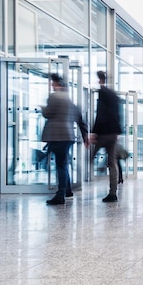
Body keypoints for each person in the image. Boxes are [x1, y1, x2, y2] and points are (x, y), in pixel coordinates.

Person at [43, 74, 88, 205]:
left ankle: (60, 194)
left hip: (57, 137)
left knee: (61, 165)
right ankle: (67, 190)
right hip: (68, 137)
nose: (52, 85)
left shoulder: (54, 97)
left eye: (53, 83)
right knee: (64, 164)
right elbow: (81, 121)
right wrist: (85, 136)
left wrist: (42, 109)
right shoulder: (71, 102)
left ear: (58, 84)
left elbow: (47, 113)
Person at [90, 71, 122, 203]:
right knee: (112, 161)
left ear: (100, 80)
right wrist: (119, 130)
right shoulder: (114, 95)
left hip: (104, 133)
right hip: (113, 133)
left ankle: (101, 167)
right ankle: (113, 192)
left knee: (91, 156)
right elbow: (118, 114)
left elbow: (101, 114)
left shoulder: (102, 93)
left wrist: (94, 132)